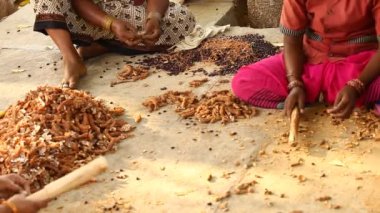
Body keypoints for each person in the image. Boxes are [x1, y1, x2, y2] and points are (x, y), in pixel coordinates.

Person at [232, 0, 380, 119]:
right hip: (311, 63)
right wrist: (295, 83)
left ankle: (335, 96)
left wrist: (357, 85)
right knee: (244, 81)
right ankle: (310, 98)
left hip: (358, 66)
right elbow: (291, 41)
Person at [32, 0, 196, 88]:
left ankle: (102, 45)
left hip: (122, 11)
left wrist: (154, 17)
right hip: (79, 14)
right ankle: (71, 57)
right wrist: (111, 23)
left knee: (183, 19)